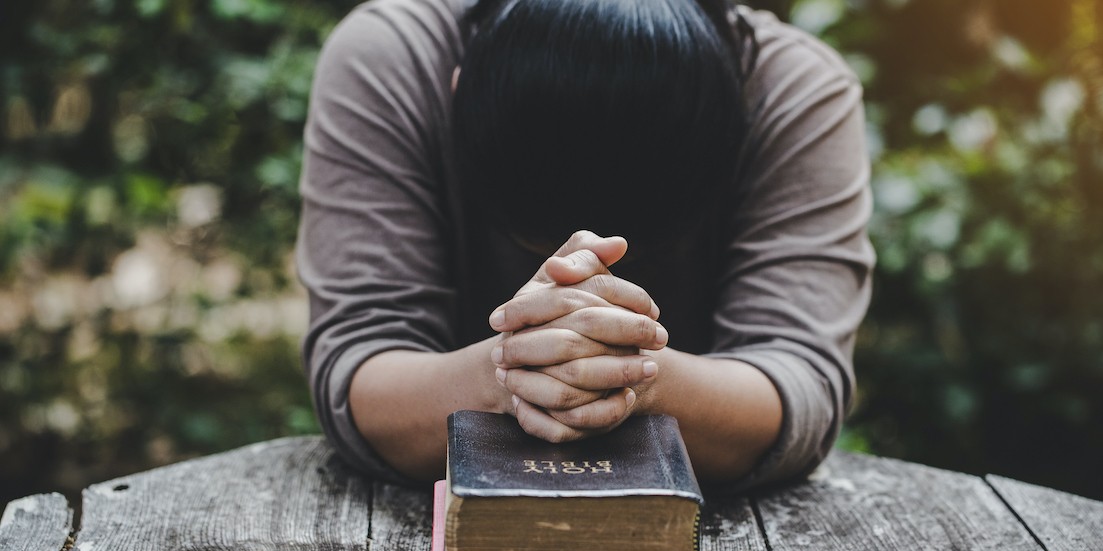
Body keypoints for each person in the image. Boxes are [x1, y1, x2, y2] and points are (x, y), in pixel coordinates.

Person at [297, 0, 874, 491]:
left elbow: (800, 383)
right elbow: (360, 368)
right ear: (457, 92)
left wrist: (625, 373)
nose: (578, 258)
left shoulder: (793, 92)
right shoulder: (390, 59)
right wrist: (520, 367)